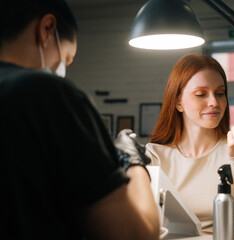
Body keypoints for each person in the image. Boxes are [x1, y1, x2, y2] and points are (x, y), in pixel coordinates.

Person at [0, 0, 159, 239]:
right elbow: (135, 235)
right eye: (65, 59)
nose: (61, 70)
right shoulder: (46, 94)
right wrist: (134, 163)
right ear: (47, 29)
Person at [146, 53, 234, 233]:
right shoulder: (154, 156)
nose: (214, 102)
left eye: (220, 93)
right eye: (201, 94)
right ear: (178, 102)